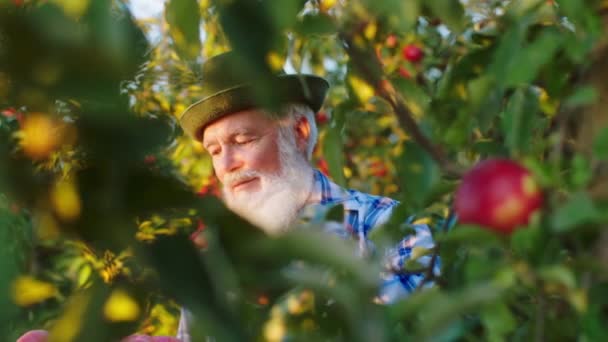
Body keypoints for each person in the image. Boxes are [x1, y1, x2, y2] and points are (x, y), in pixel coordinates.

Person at [175, 52, 439, 341]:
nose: (226, 166)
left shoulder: (385, 225)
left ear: (299, 131)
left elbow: (426, 327)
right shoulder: (214, 262)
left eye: (243, 141)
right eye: (214, 151)